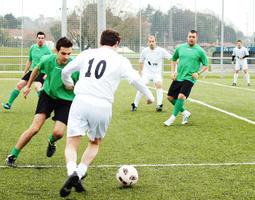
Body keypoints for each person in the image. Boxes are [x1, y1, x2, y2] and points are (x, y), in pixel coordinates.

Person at [59, 29, 154, 197]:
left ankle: (71, 172)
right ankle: (80, 172)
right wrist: (149, 96)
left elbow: (65, 71)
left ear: (100, 41)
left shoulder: (87, 53)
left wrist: (69, 84)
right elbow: (135, 80)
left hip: (81, 101)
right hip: (102, 106)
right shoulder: (121, 60)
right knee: (94, 143)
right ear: (117, 43)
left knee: (72, 144)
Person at [5, 37, 79, 168]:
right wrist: (27, 86)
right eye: (63, 53)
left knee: (58, 133)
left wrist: (74, 87)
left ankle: (51, 141)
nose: (66, 57)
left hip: (66, 101)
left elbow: (81, 86)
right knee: (34, 128)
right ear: (57, 51)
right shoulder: (48, 60)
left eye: (69, 53)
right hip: (48, 96)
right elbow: (36, 69)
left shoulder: (75, 67)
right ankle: (13, 155)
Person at [164, 30, 208, 126]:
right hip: (179, 76)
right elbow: (173, 59)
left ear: (196, 38)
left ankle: (172, 118)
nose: (191, 38)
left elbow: (206, 65)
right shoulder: (180, 48)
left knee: (181, 96)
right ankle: (185, 113)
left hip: (190, 78)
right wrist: (172, 72)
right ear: (187, 37)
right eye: (190, 36)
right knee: (170, 97)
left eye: (193, 37)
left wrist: (198, 73)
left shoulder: (200, 51)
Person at [2, 32, 52, 110]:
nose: (40, 39)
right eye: (39, 38)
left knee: (37, 86)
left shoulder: (48, 50)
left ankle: (46, 106)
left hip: (41, 72)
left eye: (42, 38)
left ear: (44, 39)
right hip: (32, 71)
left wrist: (47, 74)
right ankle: (9, 104)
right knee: (19, 85)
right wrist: (25, 72)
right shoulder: (32, 48)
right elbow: (29, 60)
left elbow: (50, 63)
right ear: (36, 38)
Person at [131, 35, 172, 112]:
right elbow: (141, 61)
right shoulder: (144, 51)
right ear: (147, 43)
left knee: (159, 85)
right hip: (146, 73)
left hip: (156, 73)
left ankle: (159, 105)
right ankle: (135, 105)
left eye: (153, 41)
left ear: (155, 42)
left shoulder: (161, 50)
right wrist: (140, 72)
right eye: (150, 41)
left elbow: (171, 58)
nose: (151, 43)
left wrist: (177, 63)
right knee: (142, 86)